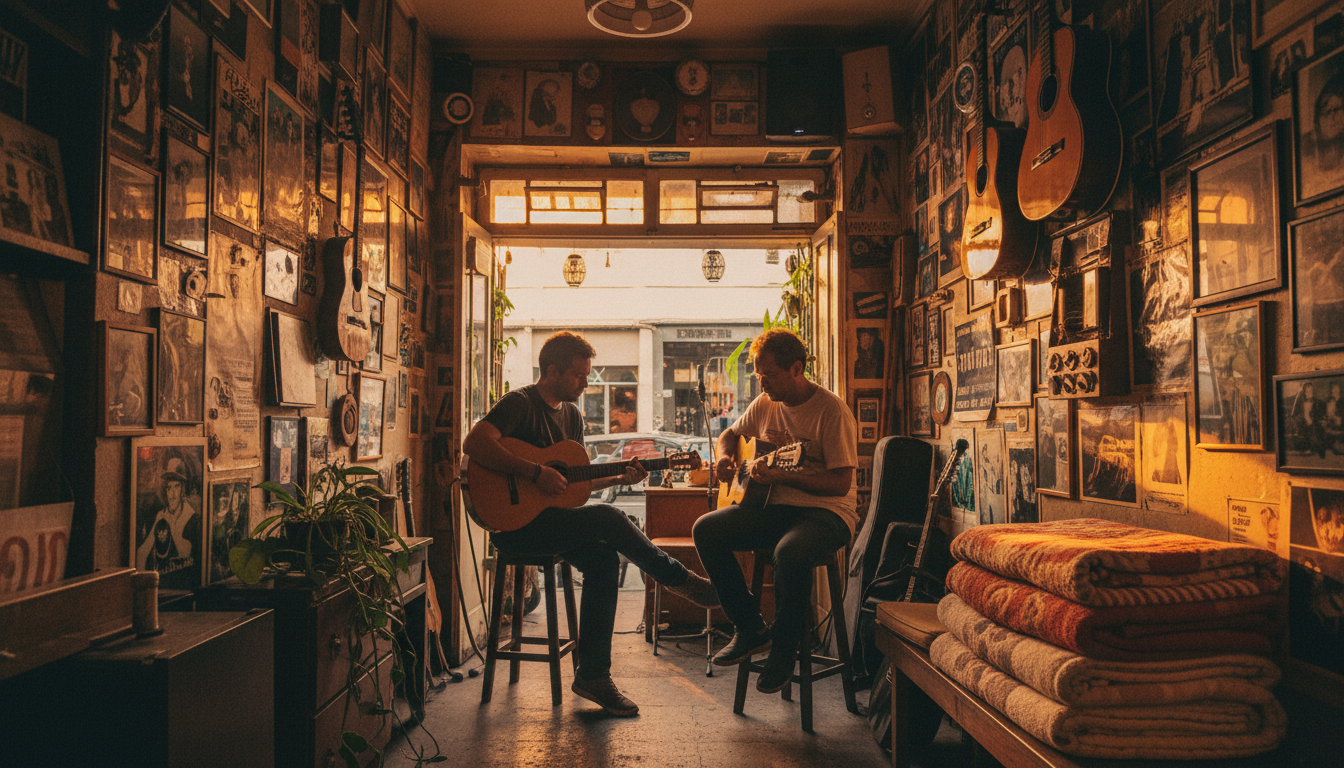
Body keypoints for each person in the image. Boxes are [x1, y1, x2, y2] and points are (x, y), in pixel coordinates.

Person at [462, 331, 718, 717]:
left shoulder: (572, 416)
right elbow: (475, 443)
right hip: (515, 528)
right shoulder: (520, 403)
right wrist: (534, 472)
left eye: (587, 375)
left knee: (603, 561)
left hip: (553, 523)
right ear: (552, 371)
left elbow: (575, 484)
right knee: (608, 516)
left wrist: (619, 477)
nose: (586, 383)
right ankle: (679, 580)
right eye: (579, 376)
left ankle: (593, 676)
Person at [692, 329, 858, 693]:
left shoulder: (831, 411)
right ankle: (750, 628)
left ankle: (784, 649)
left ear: (797, 368)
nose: (761, 382)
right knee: (706, 529)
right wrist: (725, 458)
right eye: (758, 374)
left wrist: (785, 477)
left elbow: (840, 484)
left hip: (826, 514)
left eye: (769, 374)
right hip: (772, 508)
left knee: (790, 552)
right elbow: (729, 435)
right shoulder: (765, 403)